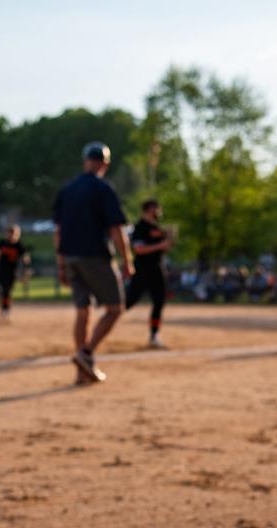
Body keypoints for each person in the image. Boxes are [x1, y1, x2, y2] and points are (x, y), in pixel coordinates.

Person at [53, 141, 133, 384]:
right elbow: (116, 229)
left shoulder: (67, 190)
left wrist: (60, 264)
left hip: (70, 258)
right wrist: (127, 261)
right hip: (95, 256)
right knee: (115, 308)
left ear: (85, 160)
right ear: (105, 163)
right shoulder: (102, 188)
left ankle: (82, 373)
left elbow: (58, 231)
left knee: (82, 311)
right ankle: (85, 354)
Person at [125, 199, 172, 348]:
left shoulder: (157, 228)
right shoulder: (140, 228)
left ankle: (154, 335)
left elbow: (163, 248)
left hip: (157, 268)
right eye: (156, 209)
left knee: (159, 301)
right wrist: (160, 245)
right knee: (130, 300)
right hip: (142, 269)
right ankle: (107, 318)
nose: (158, 212)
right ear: (148, 210)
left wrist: (168, 241)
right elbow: (138, 249)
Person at [0, 224, 30, 322]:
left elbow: (25, 257)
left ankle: (5, 310)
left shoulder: (19, 245)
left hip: (11, 272)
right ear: (8, 233)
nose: (13, 235)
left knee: (7, 292)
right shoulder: (2, 243)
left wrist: (26, 268)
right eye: (11, 233)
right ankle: (4, 310)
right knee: (3, 291)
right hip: (0, 271)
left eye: (16, 233)